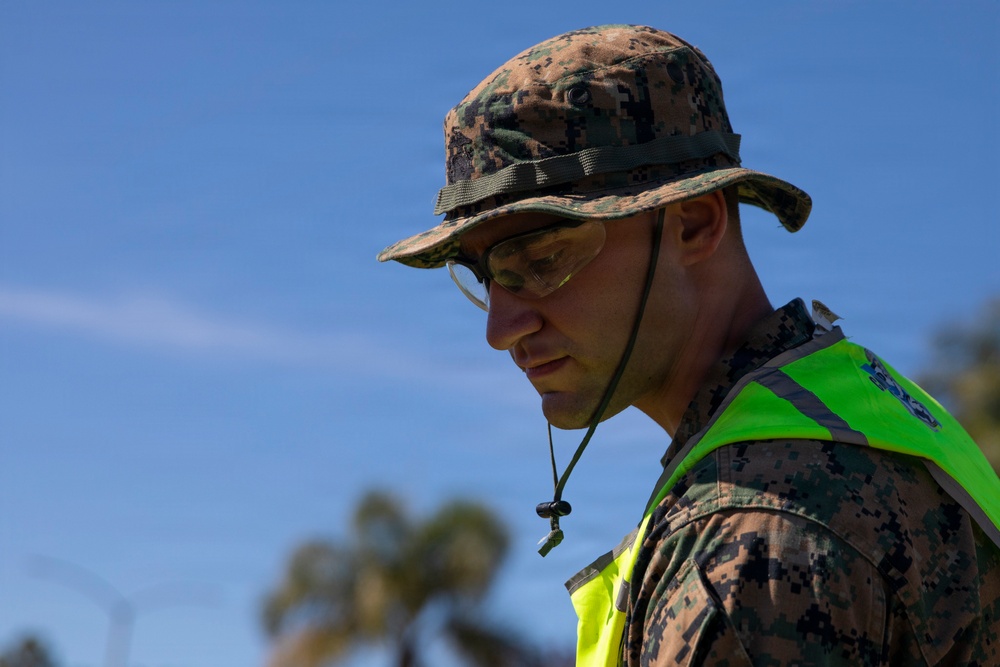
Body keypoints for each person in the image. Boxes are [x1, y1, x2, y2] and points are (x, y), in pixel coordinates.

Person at [377, 24, 1000, 666]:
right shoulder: (864, 411)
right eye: (486, 277)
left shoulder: (745, 535)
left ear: (696, 222)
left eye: (538, 260)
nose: (500, 329)